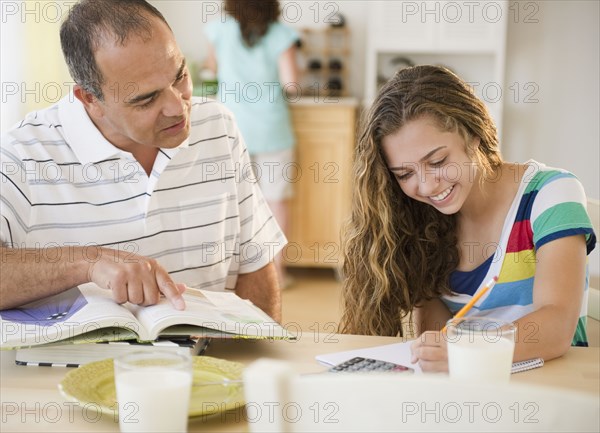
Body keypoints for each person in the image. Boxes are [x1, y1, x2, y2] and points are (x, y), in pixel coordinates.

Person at [0, 0, 284, 322]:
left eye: (179, 76)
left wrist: (256, 361)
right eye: (146, 99)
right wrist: (87, 263)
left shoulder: (218, 127)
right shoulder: (19, 156)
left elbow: (254, 264)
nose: (178, 108)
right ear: (90, 99)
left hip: (207, 367)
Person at [339, 65, 596, 371]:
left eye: (437, 161)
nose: (427, 186)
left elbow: (555, 326)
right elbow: (436, 337)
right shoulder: (419, 218)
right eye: (405, 174)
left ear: (472, 134)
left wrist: (466, 351)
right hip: (468, 394)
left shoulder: (552, 194)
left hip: (552, 391)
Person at [203, 0, 299, 288]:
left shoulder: (218, 29)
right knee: (275, 200)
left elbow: (212, 68)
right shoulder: (281, 35)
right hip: (272, 130)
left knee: (233, 202)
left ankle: (231, 275)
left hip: (233, 128)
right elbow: (291, 85)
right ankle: (277, 275)